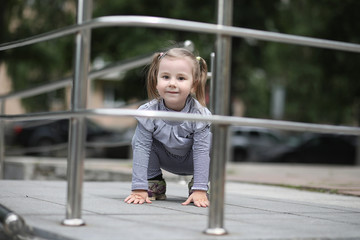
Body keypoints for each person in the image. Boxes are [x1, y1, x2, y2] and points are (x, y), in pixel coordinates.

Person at [124, 48, 211, 208]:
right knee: (139, 139)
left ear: (194, 84)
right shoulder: (150, 112)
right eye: (165, 77)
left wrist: (200, 188)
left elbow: (202, 151)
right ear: (156, 82)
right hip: (164, 157)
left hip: (193, 160)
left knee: (212, 141)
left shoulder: (199, 114)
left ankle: (198, 186)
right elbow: (142, 148)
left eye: (181, 78)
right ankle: (154, 182)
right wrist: (138, 187)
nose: (172, 83)